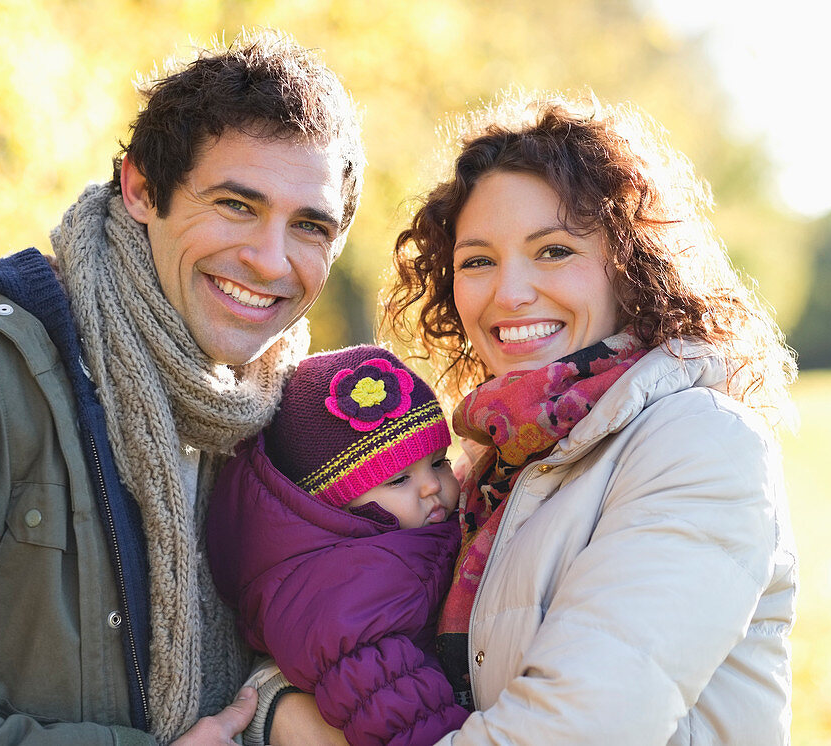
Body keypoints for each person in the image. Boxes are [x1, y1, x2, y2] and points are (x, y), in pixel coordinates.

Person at [265, 93, 798, 745]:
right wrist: (275, 702)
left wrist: (304, 733)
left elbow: (572, 731)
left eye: (553, 252)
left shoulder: (698, 443)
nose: (509, 292)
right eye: (478, 261)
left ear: (631, 269)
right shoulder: (488, 470)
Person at [0, 28, 364, 745]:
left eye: (308, 225)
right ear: (142, 188)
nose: (271, 260)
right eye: (237, 205)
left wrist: (275, 702)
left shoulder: (278, 412)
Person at [207, 345, 471, 745]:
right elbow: (390, 702)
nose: (432, 485)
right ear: (336, 505)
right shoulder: (346, 592)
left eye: (438, 462)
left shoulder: (391, 546)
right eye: (399, 479)